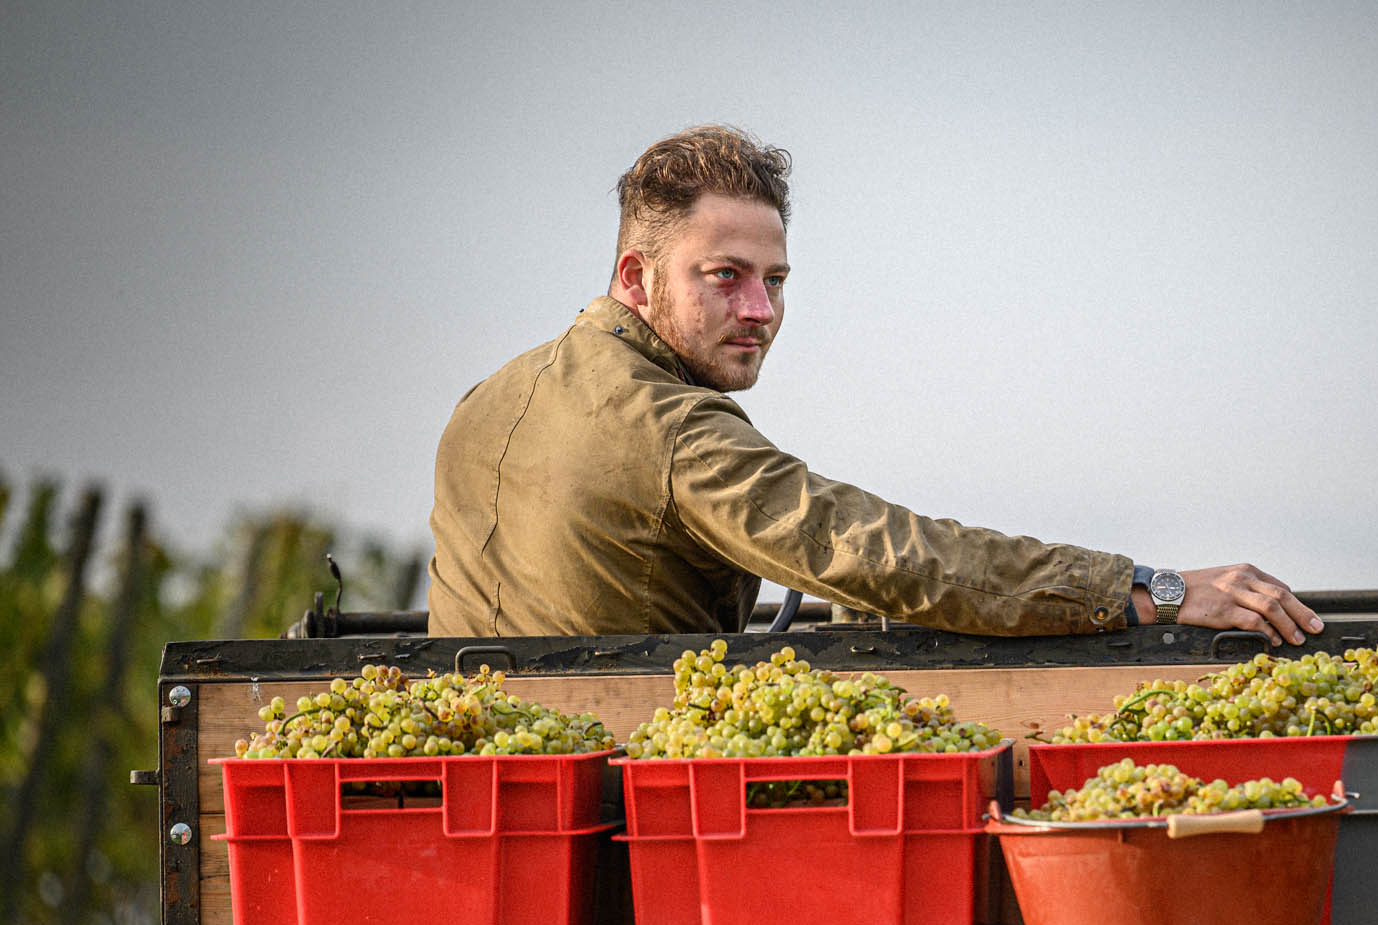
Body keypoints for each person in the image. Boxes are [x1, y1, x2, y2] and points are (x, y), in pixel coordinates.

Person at [428, 125, 1322, 645]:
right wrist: (1151, 589)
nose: (760, 310)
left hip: (468, 816)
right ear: (636, 276)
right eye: (725, 275)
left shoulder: (484, 402)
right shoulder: (668, 427)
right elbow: (872, 550)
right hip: (631, 830)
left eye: (776, 280)